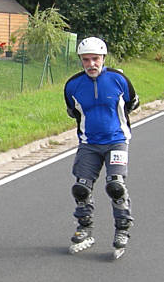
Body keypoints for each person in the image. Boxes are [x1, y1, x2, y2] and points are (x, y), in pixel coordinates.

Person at [64, 37, 139, 256]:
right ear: (81, 60)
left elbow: (133, 103)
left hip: (116, 141)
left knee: (116, 186)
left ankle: (122, 228)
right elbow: (73, 112)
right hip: (89, 143)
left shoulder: (118, 79)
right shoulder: (72, 85)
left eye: (95, 59)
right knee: (81, 188)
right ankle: (85, 227)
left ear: (103, 58)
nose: (91, 64)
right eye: (86, 60)